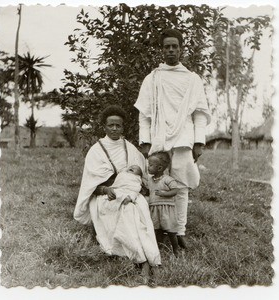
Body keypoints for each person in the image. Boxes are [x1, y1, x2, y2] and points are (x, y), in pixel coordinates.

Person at [134, 28, 211, 249]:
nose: (170, 50)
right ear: (161, 50)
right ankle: (158, 230)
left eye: (174, 46)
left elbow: (199, 114)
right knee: (156, 183)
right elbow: (145, 114)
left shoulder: (192, 79)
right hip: (159, 136)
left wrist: (198, 142)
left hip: (184, 137)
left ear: (181, 49)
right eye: (166, 46)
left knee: (182, 185)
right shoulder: (153, 78)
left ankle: (179, 231)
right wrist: (145, 141)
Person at [74, 105, 161, 282]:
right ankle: (143, 260)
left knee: (140, 209)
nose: (114, 129)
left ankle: (152, 259)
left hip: (130, 193)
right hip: (105, 197)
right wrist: (107, 189)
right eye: (111, 125)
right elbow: (91, 187)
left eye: (118, 126)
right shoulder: (96, 151)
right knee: (129, 211)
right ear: (104, 127)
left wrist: (136, 177)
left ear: (123, 127)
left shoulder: (131, 149)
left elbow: (143, 178)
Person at [147, 152, 182, 257]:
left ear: (159, 168)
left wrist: (164, 194)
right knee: (157, 229)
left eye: (150, 165)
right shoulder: (150, 180)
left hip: (166, 208)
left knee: (170, 230)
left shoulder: (167, 179)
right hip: (154, 208)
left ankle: (176, 249)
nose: (148, 167)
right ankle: (159, 248)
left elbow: (175, 190)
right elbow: (149, 190)